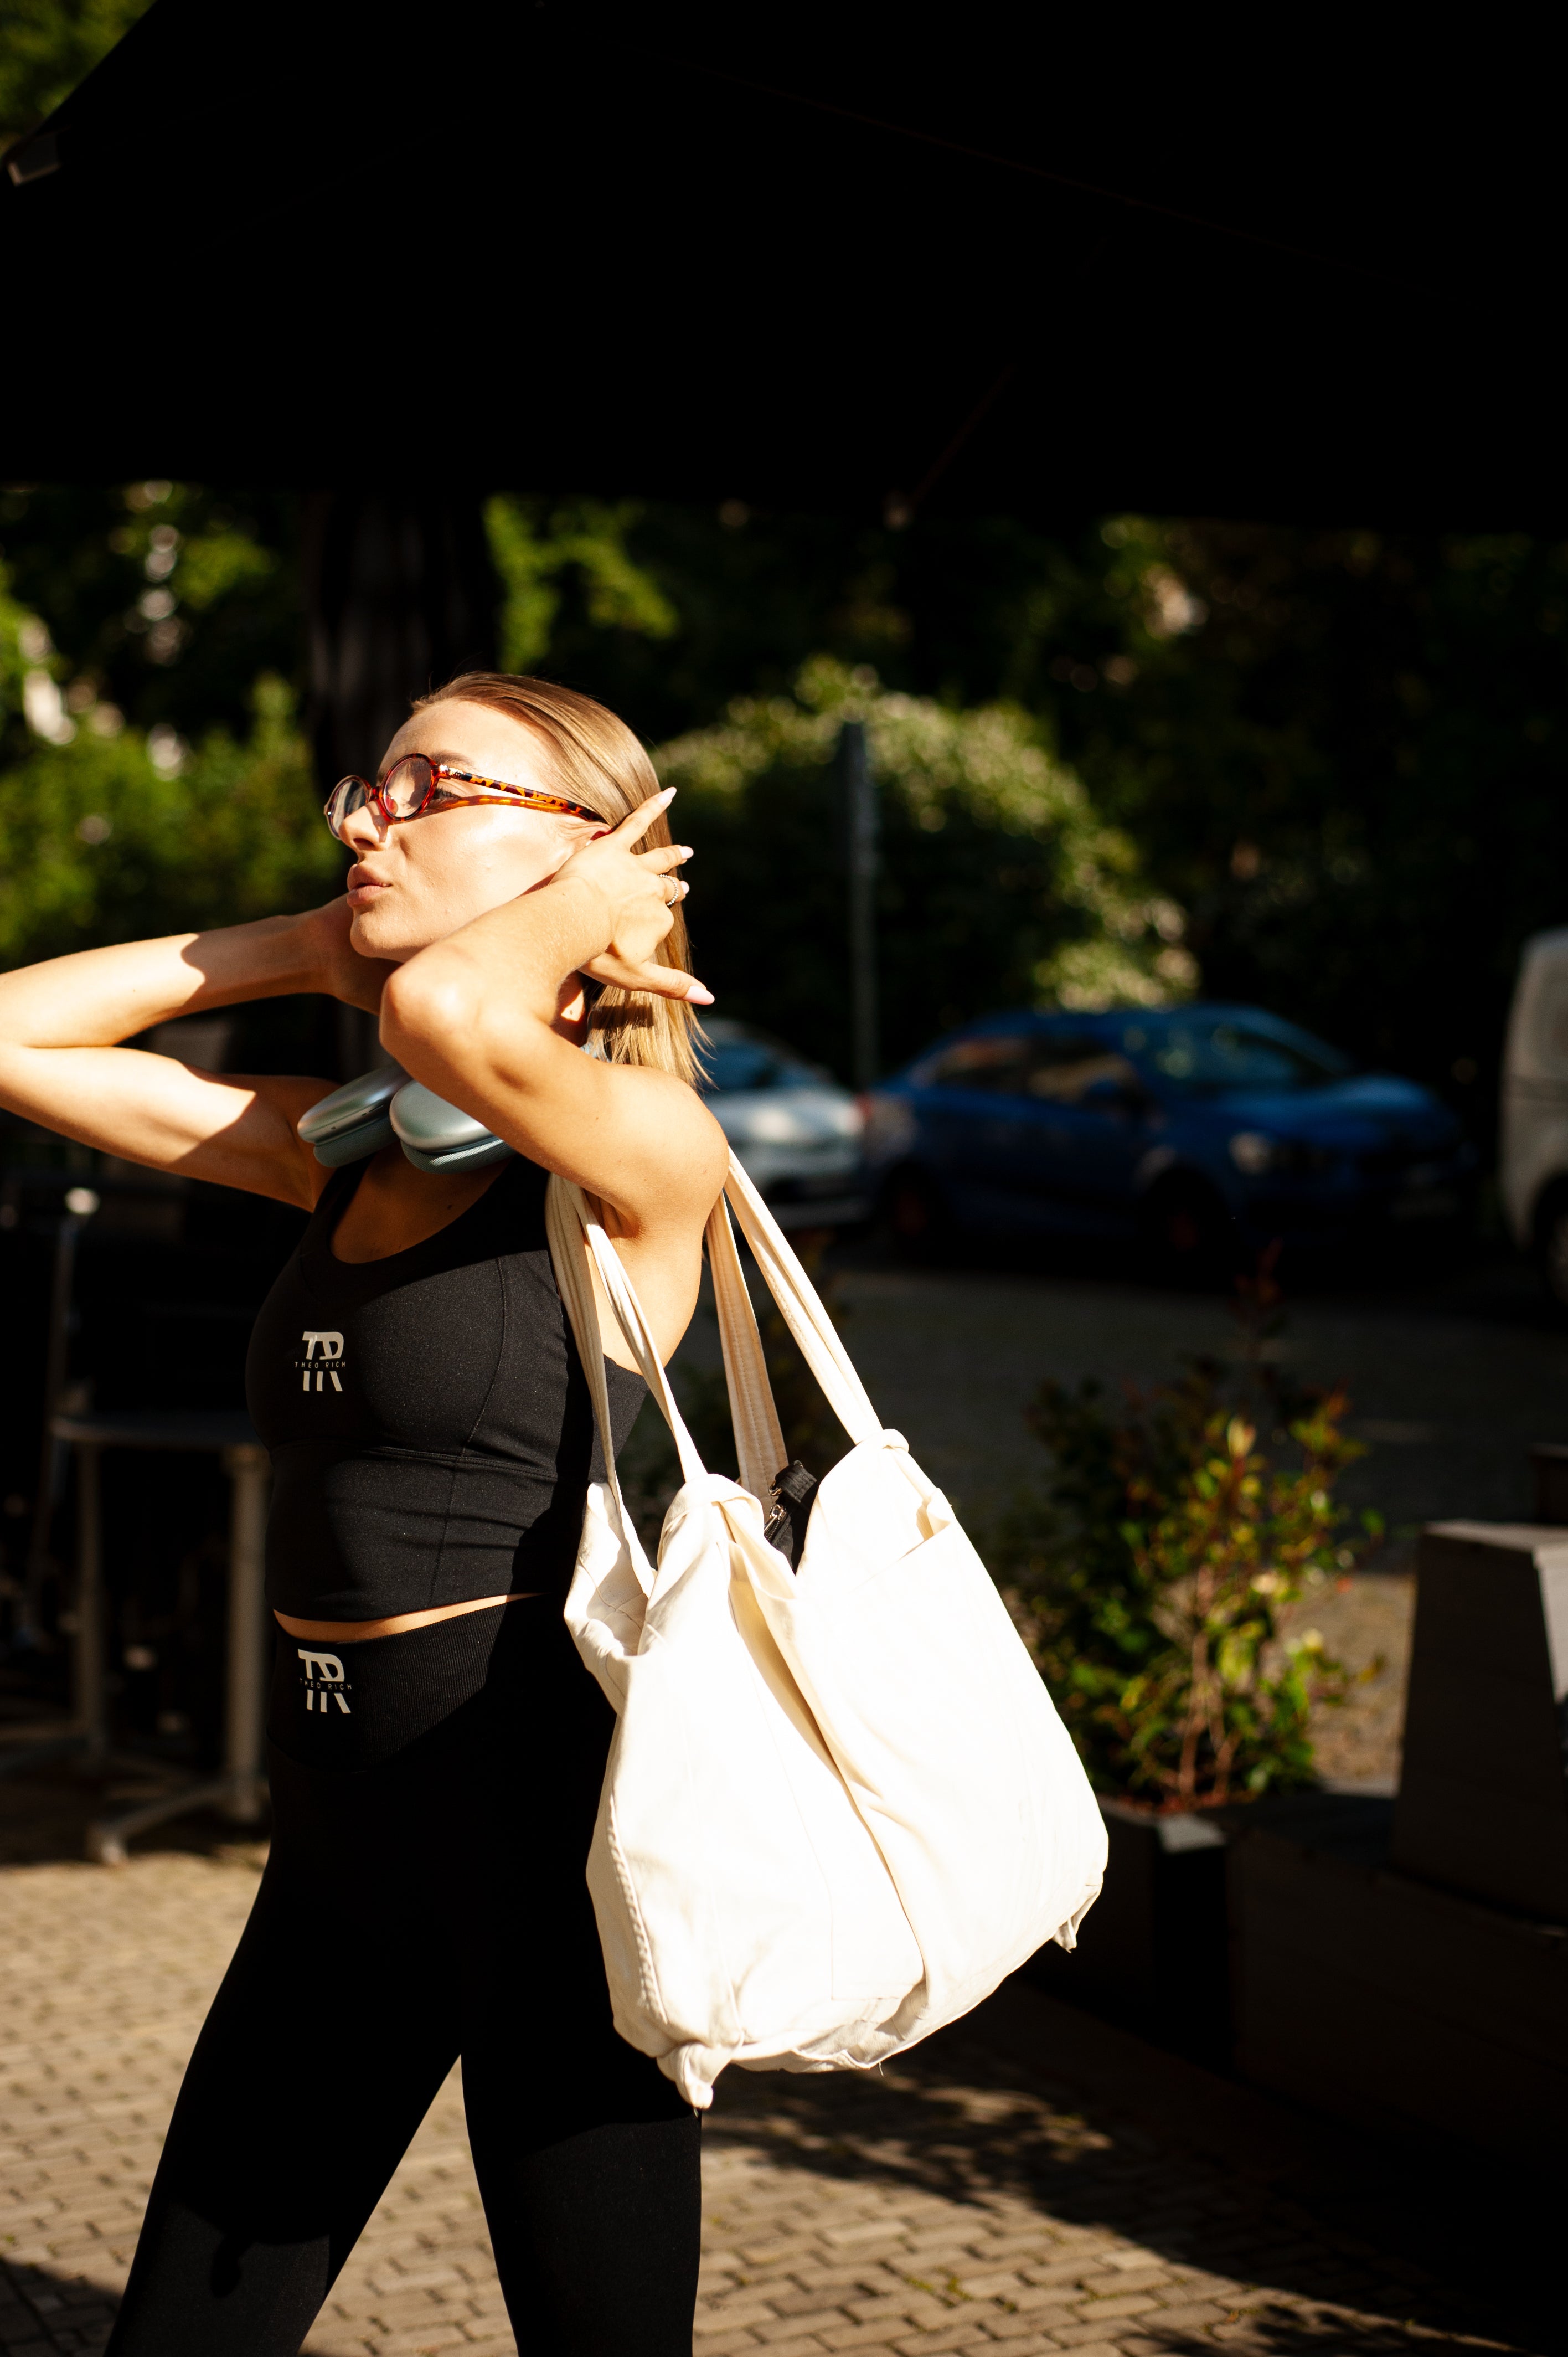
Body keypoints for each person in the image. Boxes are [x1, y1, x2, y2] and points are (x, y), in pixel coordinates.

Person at [0, 673, 728, 2356]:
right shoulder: (336, 1150)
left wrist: (554, 924)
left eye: (431, 788)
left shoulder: (639, 1150)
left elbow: (463, 1028)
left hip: (541, 1854)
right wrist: (307, 947)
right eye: (366, 788)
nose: (364, 820)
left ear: (587, 850)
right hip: (334, 1848)